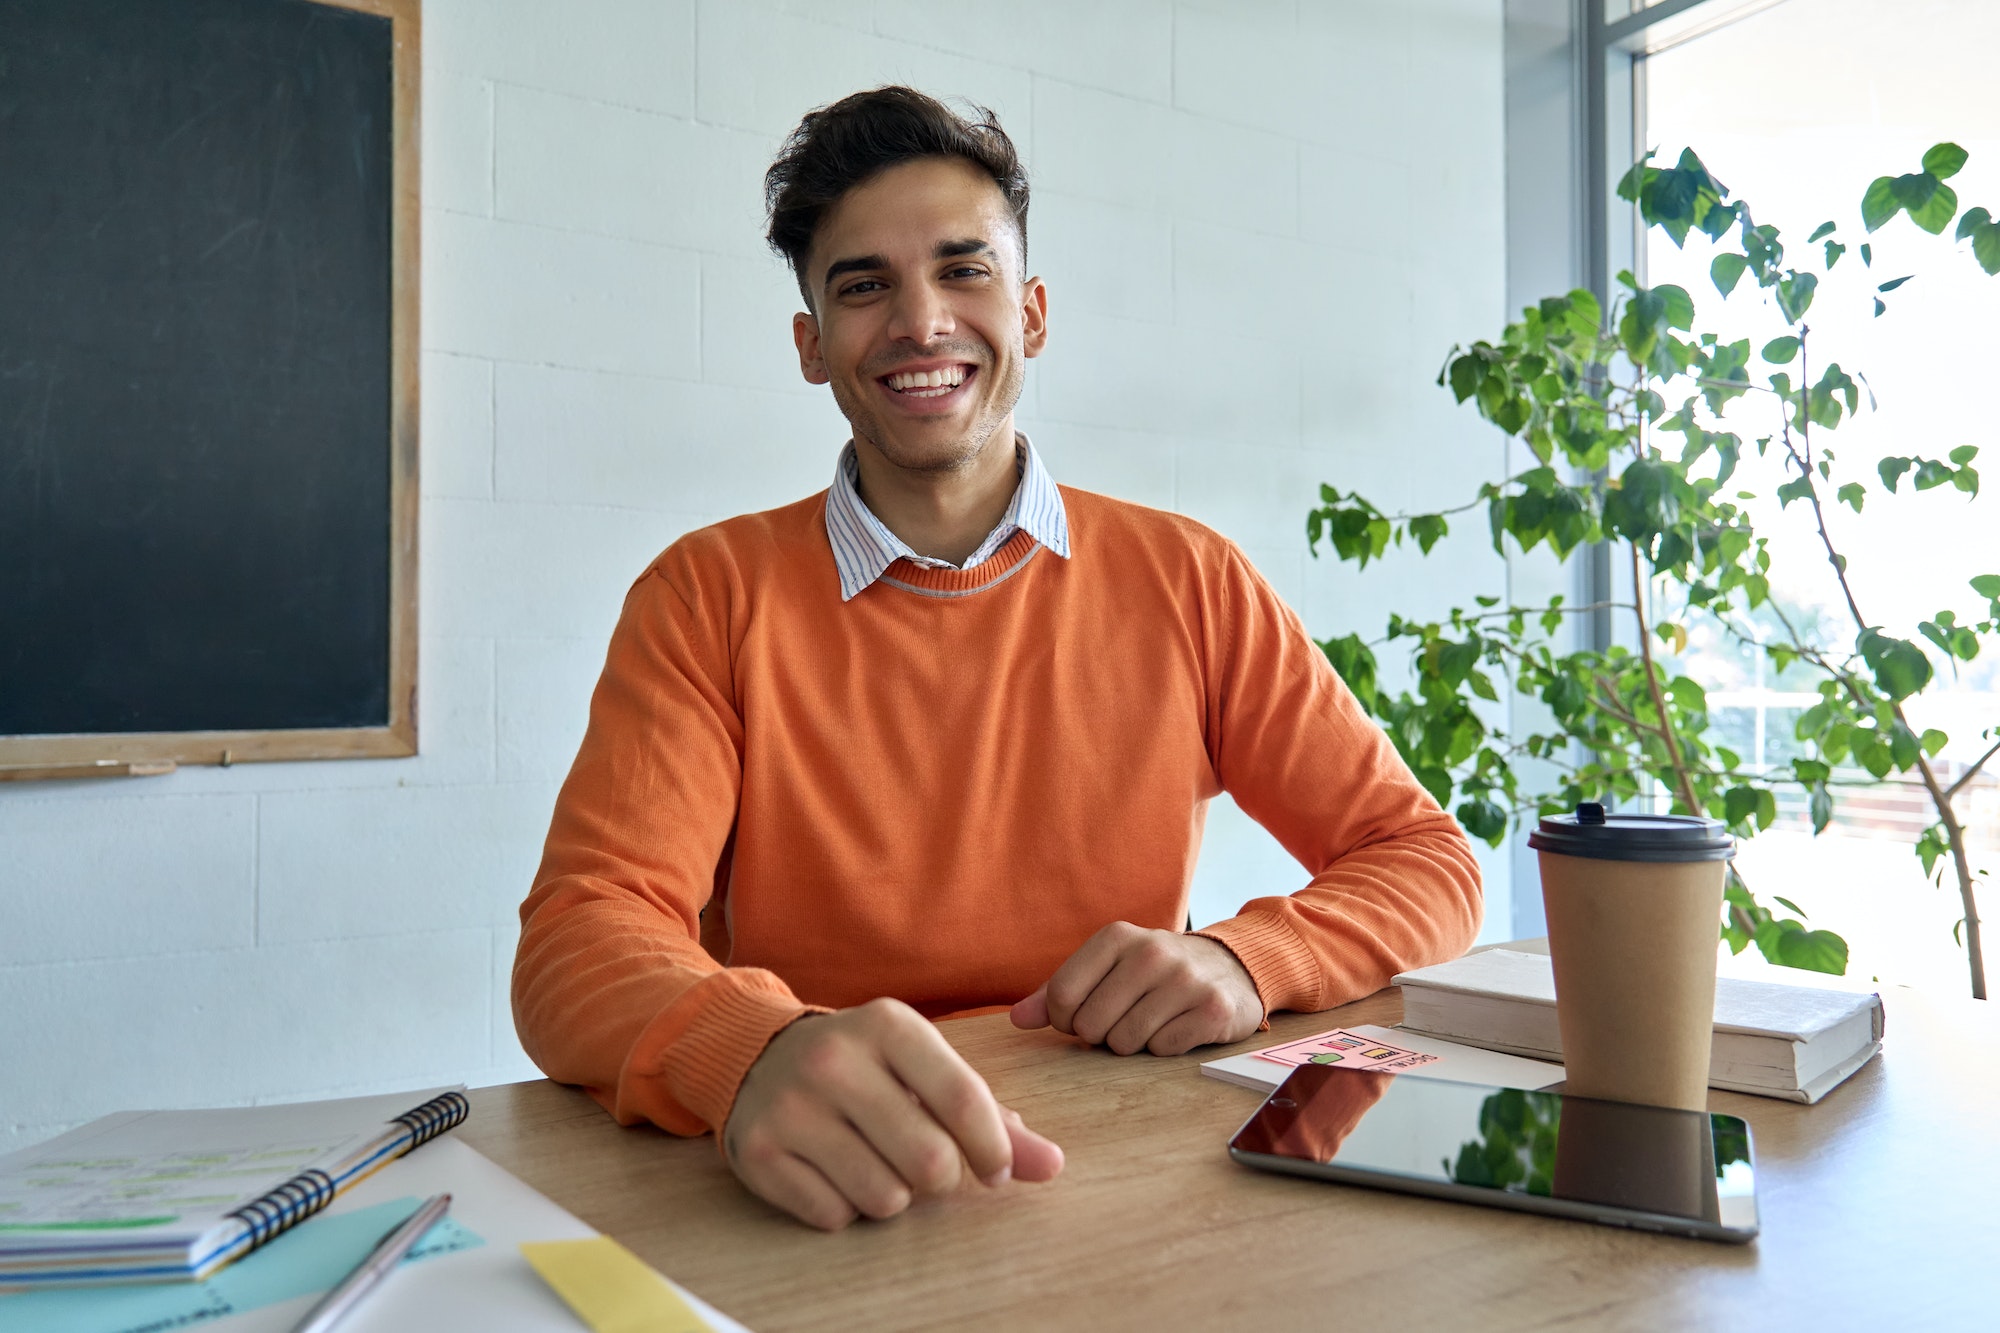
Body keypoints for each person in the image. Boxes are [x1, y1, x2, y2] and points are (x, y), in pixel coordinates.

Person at [512, 86, 1483, 1231]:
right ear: (810, 345)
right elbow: (582, 934)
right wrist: (751, 1049)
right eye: (863, 285)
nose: (920, 322)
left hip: (1128, 1175)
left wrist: (1249, 957)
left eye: (962, 270)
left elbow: (1424, 860)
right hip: (827, 1171)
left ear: (1028, 313)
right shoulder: (704, 593)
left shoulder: (1189, 577)